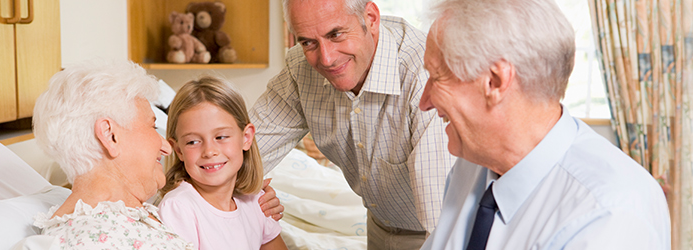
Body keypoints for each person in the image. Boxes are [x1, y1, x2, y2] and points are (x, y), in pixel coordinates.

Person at [419, 0, 671, 249]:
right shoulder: (472, 165)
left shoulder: (610, 213)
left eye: (437, 77)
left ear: (494, 82)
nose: (424, 101)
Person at [249, 0, 455, 248]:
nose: (326, 59)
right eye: (308, 42)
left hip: (433, 232)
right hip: (379, 224)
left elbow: (441, 220)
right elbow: (241, 153)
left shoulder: (422, 75)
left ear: (370, 18)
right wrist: (237, 196)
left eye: (336, 34)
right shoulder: (301, 69)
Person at [32, 60, 194, 249]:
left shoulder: (124, 219)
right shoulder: (94, 239)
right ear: (110, 135)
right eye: (152, 126)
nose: (166, 146)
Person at [158, 76, 288, 250]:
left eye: (221, 137)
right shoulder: (178, 208)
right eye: (193, 142)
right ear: (179, 150)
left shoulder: (256, 202)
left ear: (246, 137)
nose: (209, 151)